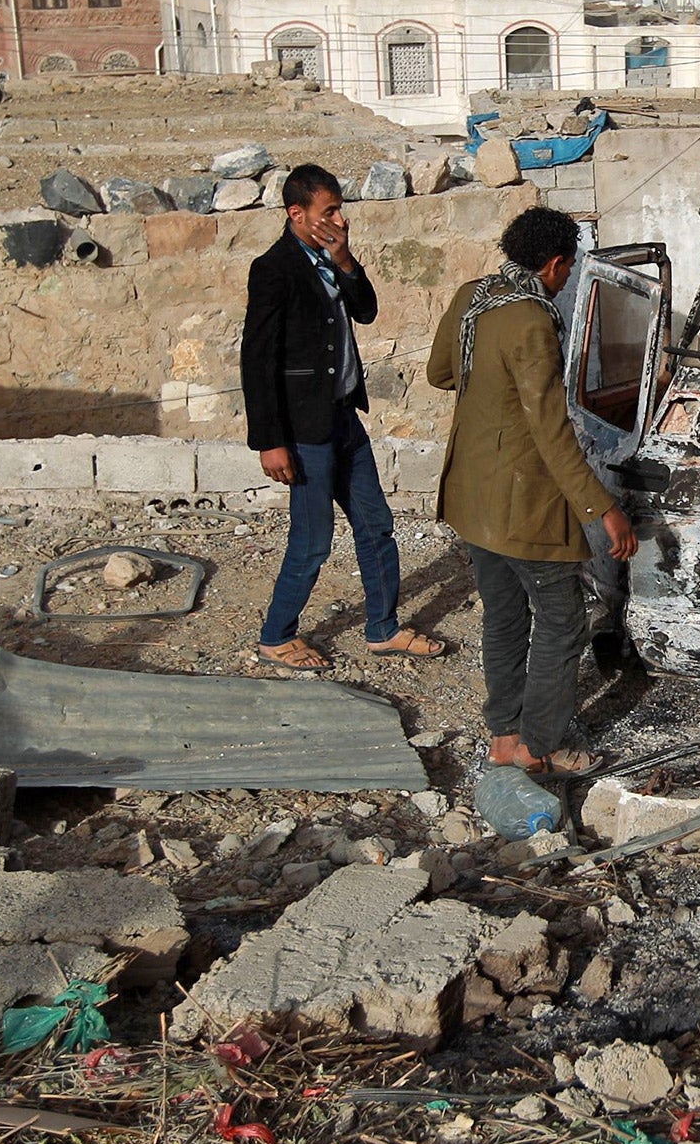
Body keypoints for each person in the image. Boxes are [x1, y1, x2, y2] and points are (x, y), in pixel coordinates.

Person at [427, 206, 638, 773]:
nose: (568, 280)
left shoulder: (477, 295)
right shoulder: (531, 320)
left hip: (471, 497)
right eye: (568, 269)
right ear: (554, 263)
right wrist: (604, 507)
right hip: (521, 503)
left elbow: (441, 373)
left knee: (503, 616)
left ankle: (503, 735)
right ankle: (538, 746)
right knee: (562, 619)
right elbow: (550, 428)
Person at [242, 163, 445, 670]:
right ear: (297, 213)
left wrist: (346, 259)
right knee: (312, 541)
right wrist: (270, 440)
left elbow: (367, 310)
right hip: (304, 429)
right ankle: (276, 635)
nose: (340, 218)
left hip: (343, 420)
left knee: (375, 525)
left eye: (340, 208)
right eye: (328, 210)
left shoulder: (331, 259)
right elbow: (258, 361)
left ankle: (382, 628)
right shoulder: (274, 269)